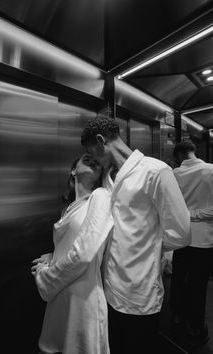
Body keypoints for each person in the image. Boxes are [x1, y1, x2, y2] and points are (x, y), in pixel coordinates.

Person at [81, 116, 191, 354]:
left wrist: (149, 248)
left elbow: (181, 232)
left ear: (101, 142)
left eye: (94, 153)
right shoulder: (108, 178)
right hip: (108, 288)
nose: (96, 162)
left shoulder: (155, 171)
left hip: (139, 292)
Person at [31, 154, 113, 354]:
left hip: (84, 297)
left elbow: (84, 253)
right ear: (74, 170)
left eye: (96, 161)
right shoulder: (67, 210)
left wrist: (44, 277)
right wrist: (54, 255)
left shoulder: (100, 196)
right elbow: (74, 243)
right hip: (61, 295)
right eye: (86, 159)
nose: (92, 160)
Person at [170, 141, 213, 347]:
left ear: (179, 155)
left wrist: (186, 215)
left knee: (178, 279)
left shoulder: (174, 174)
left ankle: (177, 316)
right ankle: (195, 327)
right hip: (203, 240)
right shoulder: (211, 170)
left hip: (180, 236)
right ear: (193, 151)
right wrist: (195, 214)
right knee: (198, 285)